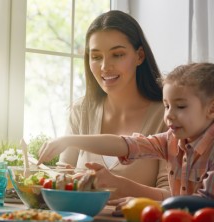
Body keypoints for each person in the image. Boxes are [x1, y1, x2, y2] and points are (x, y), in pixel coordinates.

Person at [38, 62, 214, 200]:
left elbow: (205, 203)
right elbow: (124, 144)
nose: (169, 115)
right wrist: (69, 140)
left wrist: (149, 205)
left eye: (181, 106)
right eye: (166, 106)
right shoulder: (170, 140)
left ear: (211, 109)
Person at [56, 10, 171, 203]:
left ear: (140, 56)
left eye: (117, 54)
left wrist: (123, 187)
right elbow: (61, 178)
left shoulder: (167, 115)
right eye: (96, 57)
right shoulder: (81, 111)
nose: (105, 67)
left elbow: (173, 196)